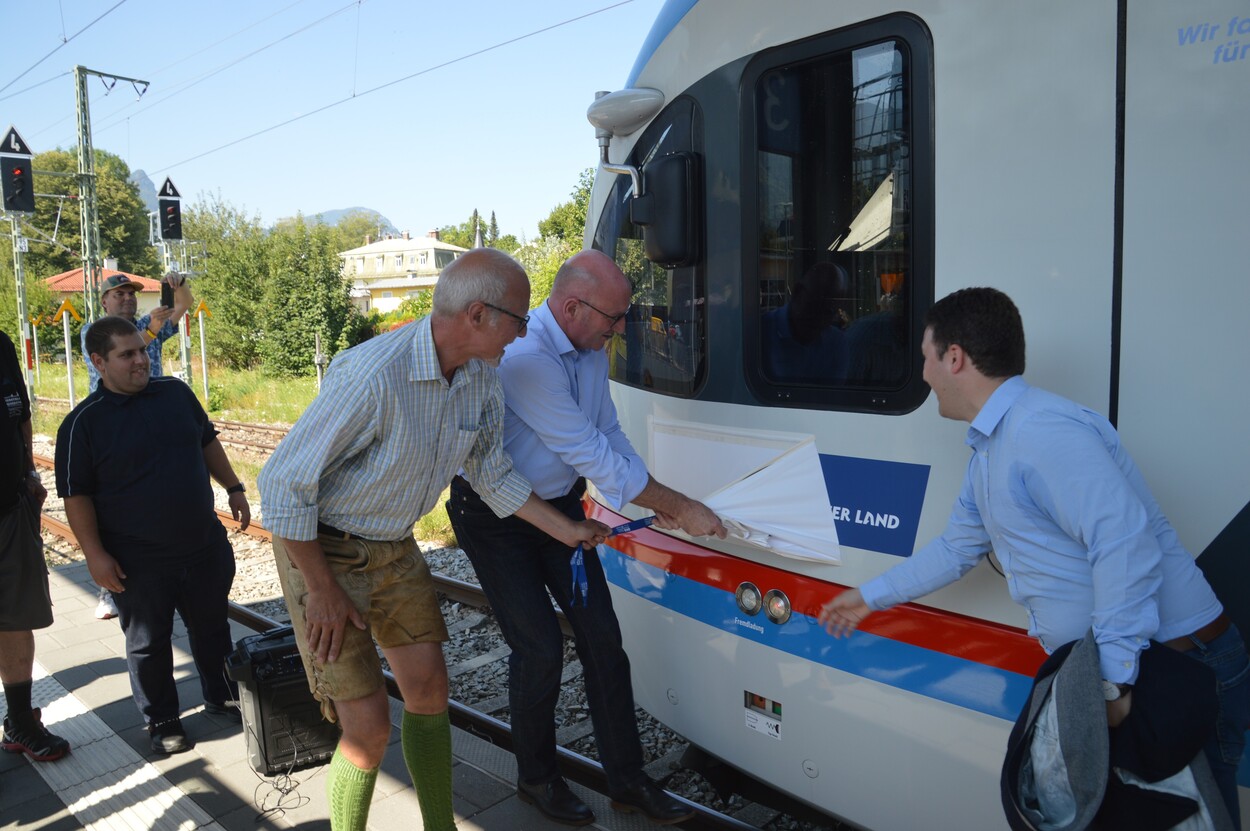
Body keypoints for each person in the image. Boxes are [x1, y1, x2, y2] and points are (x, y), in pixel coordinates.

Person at [819, 287, 1249, 827]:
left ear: (955, 357)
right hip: (1130, 670)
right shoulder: (993, 446)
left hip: (1167, 668)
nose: (924, 374)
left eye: (926, 357)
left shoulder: (1040, 432)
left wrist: (1112, 683)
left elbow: (1124, 543)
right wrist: (867, 596)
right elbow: (957, 549)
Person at [257, 248, 610, 831]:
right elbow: (282, 483)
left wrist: (569, 529)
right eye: (520, 320)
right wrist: (320, 589)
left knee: (428, 691)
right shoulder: (375, 375)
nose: (524, 333)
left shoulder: (480, 379)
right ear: (478, 315)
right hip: (322, 549)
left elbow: (493, 476)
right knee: (368, 729)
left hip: (392, 545)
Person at [448, 249, 728, 827]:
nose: (621, 327)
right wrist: (678, 504)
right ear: (573, 307)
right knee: (540, 649)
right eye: (614, 317)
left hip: (559, 511)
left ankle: (627, 783)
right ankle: (536, 779)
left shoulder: (590, 348)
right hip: (496, 516)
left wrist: (661, 501)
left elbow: (609, 433)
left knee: (603, 640)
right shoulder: (526, 357)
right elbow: (588, 452)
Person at [56, 316, 251, 756]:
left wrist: (234, 488)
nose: (141, 360)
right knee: (148, 643)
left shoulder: (176, 394)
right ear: (99, 362)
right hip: (137, 560)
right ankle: (163, 720)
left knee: (212, 628)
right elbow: (76, 496)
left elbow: (207, 442)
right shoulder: (82, 424)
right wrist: (94, 555)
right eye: (127, 354)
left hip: (201, 545)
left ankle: (221, 696)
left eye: (142, 350)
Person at [81, 271, 193, 621]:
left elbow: (184, 306)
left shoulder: (149, 322)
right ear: (104, 301)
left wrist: (179, 285)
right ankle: (109, 589)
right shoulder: (94, 332)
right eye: (119, 294)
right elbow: (114, 361)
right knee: (116, 504)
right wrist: (150, 332)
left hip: (154, 416)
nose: (127, 299)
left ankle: (171, 572)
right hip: (113, 422)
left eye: (131, 294)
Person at [0, 331, 70, 764]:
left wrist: (29, 472)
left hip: (8, 510)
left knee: (15, 618)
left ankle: (20, 721)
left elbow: (20, 417)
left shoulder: (2, 346)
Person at [760, 261, 853, 384]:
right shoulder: (761, 332)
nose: (819, 318)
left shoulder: (836, 344)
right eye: (814, 304)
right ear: (797, 292)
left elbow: (832, 397)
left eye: (828, 312)